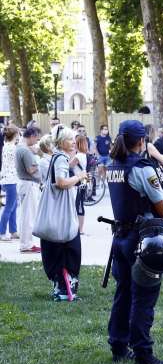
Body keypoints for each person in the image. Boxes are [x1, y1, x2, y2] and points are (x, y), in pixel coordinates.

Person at [106, 120, 163, 364]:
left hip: (120, 236)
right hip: (141, 238)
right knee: (143, 296)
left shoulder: (114, 165)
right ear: (142, 142)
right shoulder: (141, 168)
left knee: (123, 292)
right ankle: (143, 353)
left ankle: (118, 345)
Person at [41, 125, 88, 301]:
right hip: (62, 214)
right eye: (69, 139)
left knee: (59, 247)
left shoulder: (58, 158)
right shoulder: (61, 157)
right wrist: (80, 176)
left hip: (56, 213)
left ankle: (62, 286)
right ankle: (63, 288)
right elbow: (61, 182)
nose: (73, 142)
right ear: (61, 142)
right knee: (70, 246)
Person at [16, 126, 42, 253]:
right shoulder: (25, 151)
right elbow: (31, 170)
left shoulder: (21, 148)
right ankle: (26, 244)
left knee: (26, 215)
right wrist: (39, 165)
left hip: (24, 183)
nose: (36, 141)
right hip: (28, 184)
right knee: (28, 216)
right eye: (36, 139)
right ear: (31, 136)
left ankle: (26, 243)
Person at [0, 125, 19, 242]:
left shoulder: (6, 146)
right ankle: (2, 232)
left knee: (13, 205)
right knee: (9, 207)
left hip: (7, 179)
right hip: (11, 180)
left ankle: (13, 230)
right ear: (16, 135)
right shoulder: (13, 148)